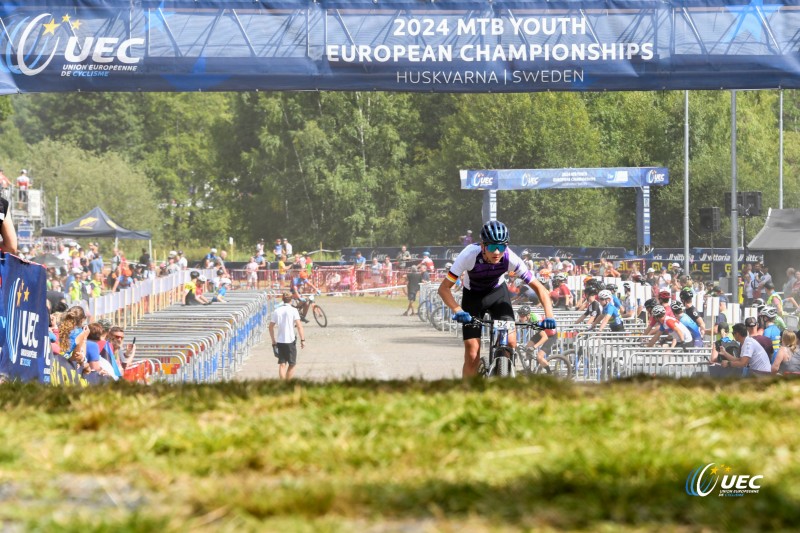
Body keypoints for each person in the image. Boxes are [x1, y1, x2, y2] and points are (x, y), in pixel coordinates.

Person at [437, 220, 555, 377]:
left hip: (497, 295)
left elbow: (540, 288)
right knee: (472, 352)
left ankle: (504, 373)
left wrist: (549, 316)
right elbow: (444, 288)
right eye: (492, 247)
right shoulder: (468, 255)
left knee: (511, 343)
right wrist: (458, 310)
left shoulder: (510, 258)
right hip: (473, 297)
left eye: (501, 246)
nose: (497, 252)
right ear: (483, 246)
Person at [269, 292, 306, 380]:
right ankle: (288, 382)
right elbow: (299, 326)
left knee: (282, 364)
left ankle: (282, 383)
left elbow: (270, 327)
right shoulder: (293, 310)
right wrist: (302, 340)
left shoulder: (277, 311)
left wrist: (273, 340)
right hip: (290, 340)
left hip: (280, 340)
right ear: (291, 300)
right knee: (292, 364)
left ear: (282, 299)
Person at [516, 305, 556, 372]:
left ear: (528, 315)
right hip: (542, 332)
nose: (520, 318)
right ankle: (528, 369)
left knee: (539, 357)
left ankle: (549, 373)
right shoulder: (529, 318)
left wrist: (534, 347)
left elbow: (545, 337)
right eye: (519, 316)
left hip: (550, 335)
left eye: (522, 316)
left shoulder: (535, 321)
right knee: (527, 348)